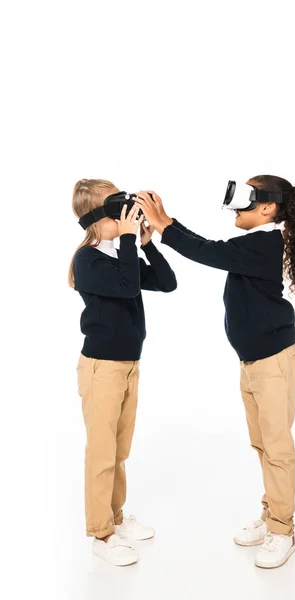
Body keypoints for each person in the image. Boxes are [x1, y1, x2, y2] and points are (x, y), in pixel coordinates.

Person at [134, 176, 295, 569]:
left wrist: (166, 223)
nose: (236, 210)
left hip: (272, 363)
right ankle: (272, 513)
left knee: (277, 448)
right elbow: (211, 249)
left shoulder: (266, 243)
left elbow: (208, 251)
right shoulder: (258, 244)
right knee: (262, 443)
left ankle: (283, 530)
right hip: (254, 361)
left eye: (245, 202)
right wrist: (166, 226)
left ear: (268, 208)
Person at [69, 179, 177, 566]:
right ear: (97, 216)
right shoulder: (89, 260)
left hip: (129, 365)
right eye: (117, 206)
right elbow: (129, 287)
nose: (126, 212)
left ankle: (115, 516)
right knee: (101, 453)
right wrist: (130, 241)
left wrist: (145, 241)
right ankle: (101, 533)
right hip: (102, 369)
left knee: (119, 450)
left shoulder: (120, 255)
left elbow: (167, 283)